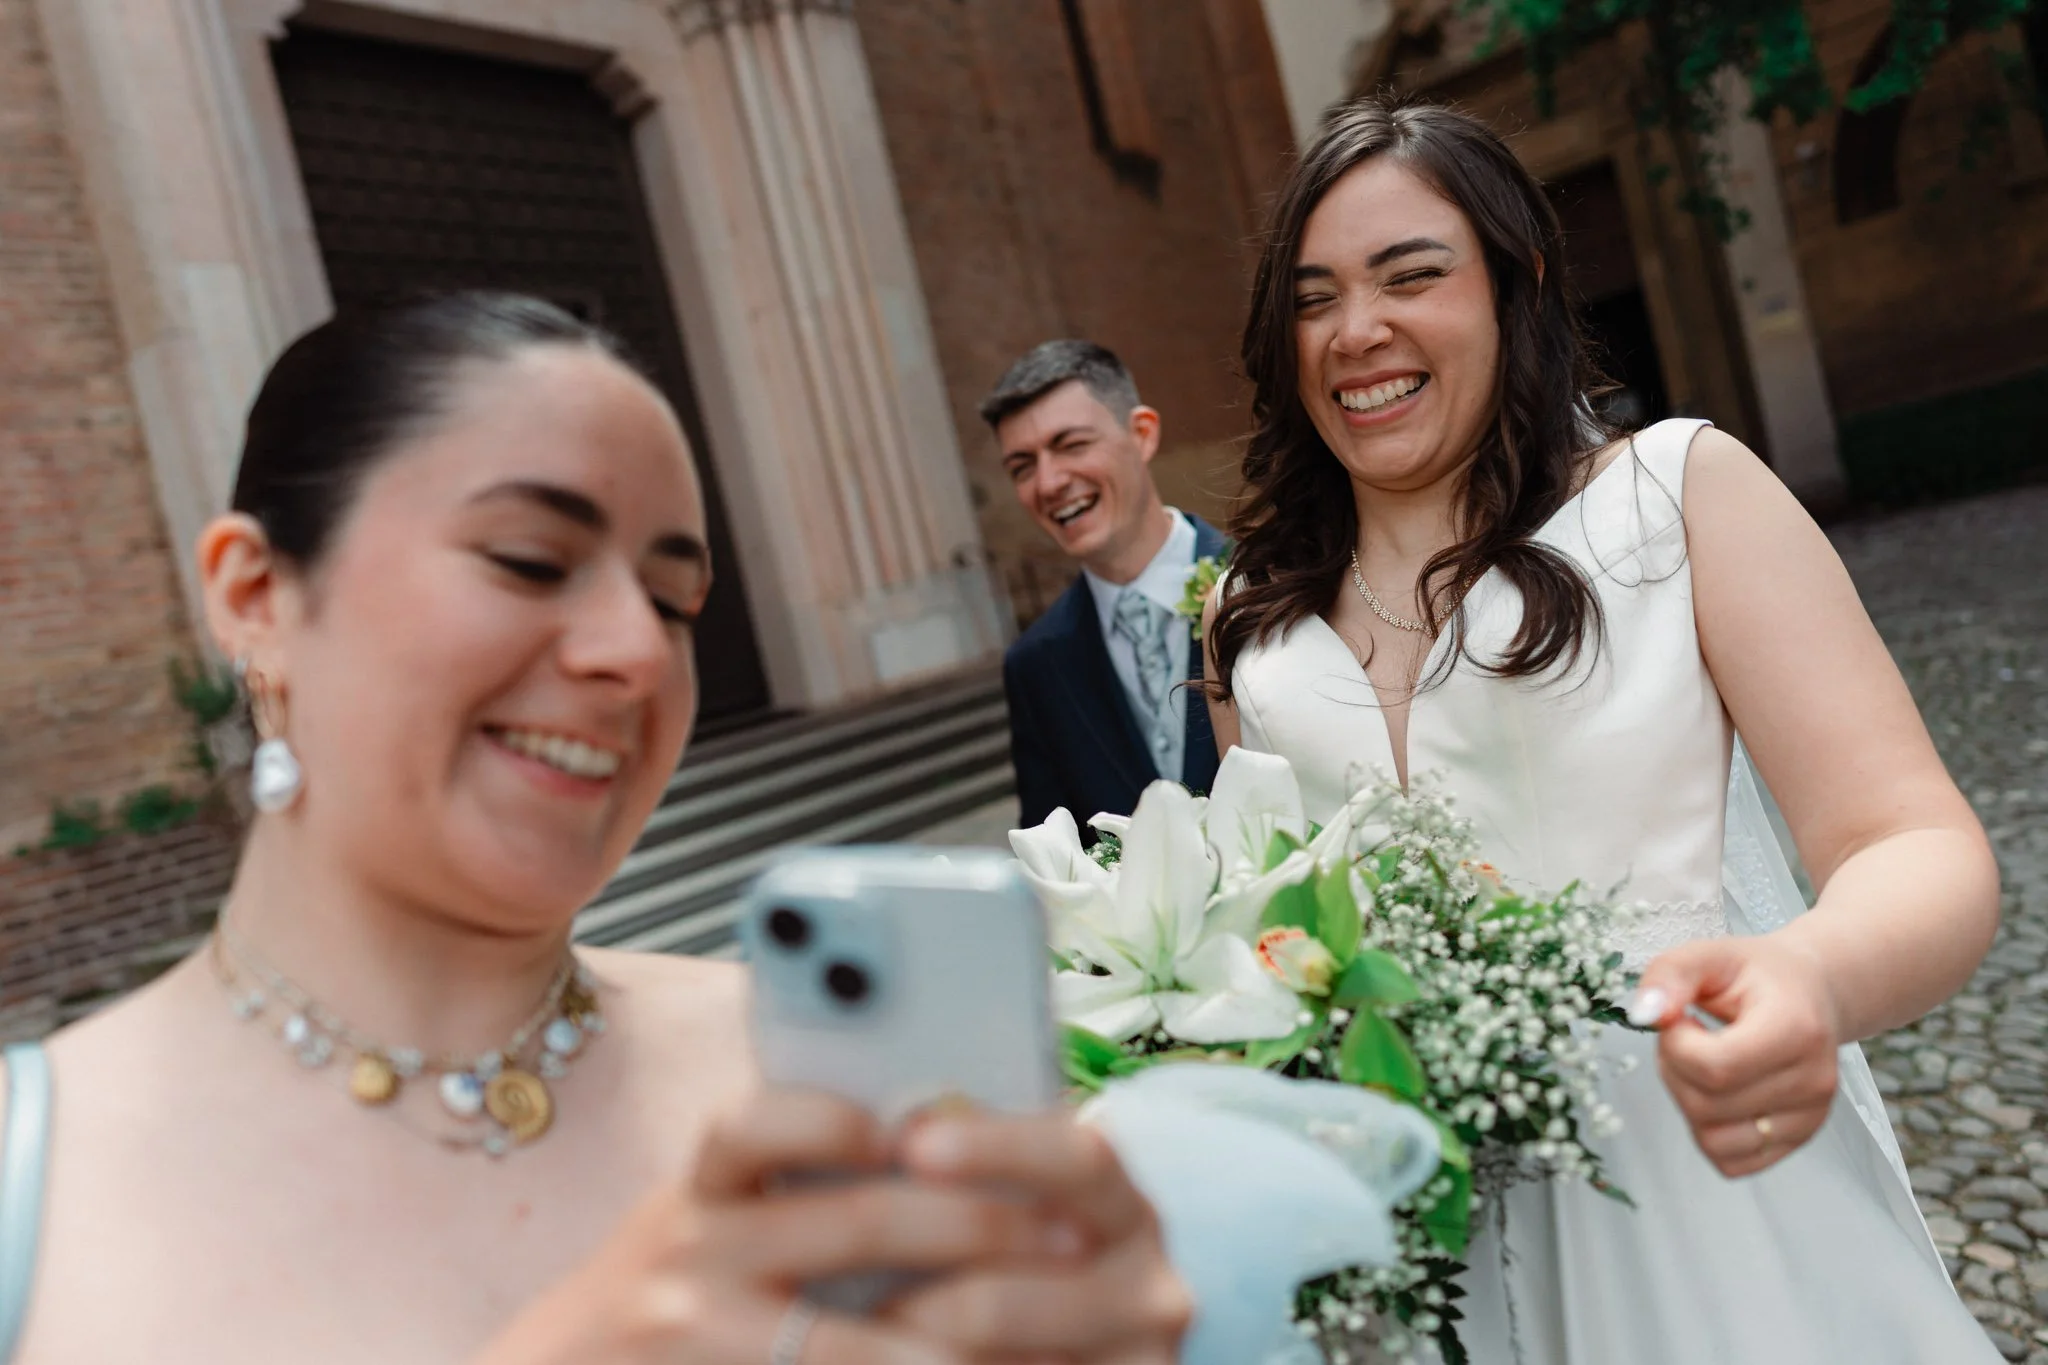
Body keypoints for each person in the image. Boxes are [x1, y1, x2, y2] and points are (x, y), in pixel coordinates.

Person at [0, 294, 1192, 1365]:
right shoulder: (33, 1175)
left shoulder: (812, 1087)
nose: (634, 653)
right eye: (529, 560)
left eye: (673, 601)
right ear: (256, 598)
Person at [1202, 99, 2004, 1363]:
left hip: (1704, 1204)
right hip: (1419, 1266)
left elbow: (1912, 838)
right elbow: (1273, 948)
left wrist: (1811, 974)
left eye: (1411, 276)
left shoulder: (1675, 496)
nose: (1356, 333)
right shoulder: (1249, 621)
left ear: (1514, 282)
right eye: (1312, 300)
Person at [988, 342, 1227, 836]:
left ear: (1142, 434)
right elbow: (1053, 856)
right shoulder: (1035, 665)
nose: (1049, 482)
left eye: (1071, 444)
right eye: (1022, 466)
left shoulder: (1271, 584)